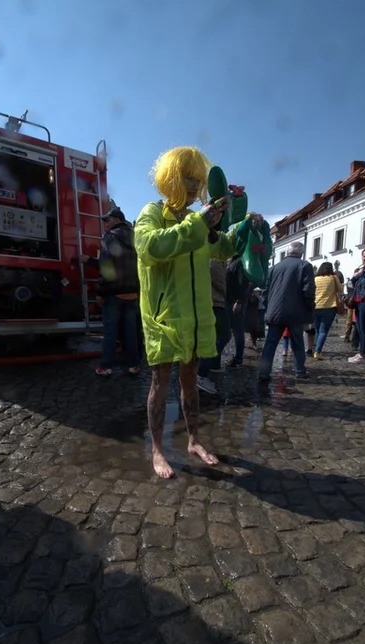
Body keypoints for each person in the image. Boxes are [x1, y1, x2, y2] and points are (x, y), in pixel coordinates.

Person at [134, 147, 237, 479]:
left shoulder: (201, 221)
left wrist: (243, 225)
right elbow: (149, 248)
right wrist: (199, 222)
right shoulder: (152, 213)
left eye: (197, 181)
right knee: (160, 383)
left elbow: (223, 248)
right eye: (187, 180)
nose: (194, 187)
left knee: (190, 381)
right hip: (163, 319)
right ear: (170, 180)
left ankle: (194, 440)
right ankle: (158, 450)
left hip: (195, 318)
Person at [259, 241, 315, 381]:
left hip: (275, 312)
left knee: (270, 344)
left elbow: (264, 291)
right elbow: (308, 290)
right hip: (296, 312)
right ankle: (299, 371)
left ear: (288, 252)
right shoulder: (305, 266)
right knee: (297, 343)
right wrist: (310, 306)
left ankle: (264, 373)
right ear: (301, 253)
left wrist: (266, 307)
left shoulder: (274, 268)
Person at [95, 208, 141, 377]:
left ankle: (106, 366)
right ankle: (134, 364)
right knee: (131, 331)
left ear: (116, 219)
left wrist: (100, 291)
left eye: (107, 220)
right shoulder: (136, 237)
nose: (105, 224)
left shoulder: (110, 236)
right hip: (133, 293)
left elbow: (106, 265)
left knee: (110, 331)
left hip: (114, 293)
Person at [196, 260, 231, 394]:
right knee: (222, 336)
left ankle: (202, 369)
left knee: (215, 337)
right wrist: (227, 292)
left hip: (211, 301)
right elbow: (218, 280)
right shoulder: (215, 256)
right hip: (215, 302)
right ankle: (201, 371)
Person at [313, 261, 343, 359]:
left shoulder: (315, 279)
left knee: (317, 330)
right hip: (329, 307)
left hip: (316, 307)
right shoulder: (333, 278)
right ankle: (318, 351)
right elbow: (341, 289)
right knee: (323, 331)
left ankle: (316, 349)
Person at [225, 254, 251, 368]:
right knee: (236, 329)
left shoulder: (239, 262)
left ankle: (238, 358)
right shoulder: (237, 261)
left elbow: (243, 283)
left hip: (235, 301)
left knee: (237, 330)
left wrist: (239, 301)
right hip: (233, 300)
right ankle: (238, 357)